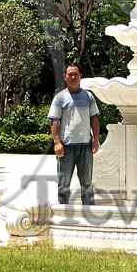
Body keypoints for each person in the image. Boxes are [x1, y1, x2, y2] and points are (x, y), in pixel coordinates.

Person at [48, 64, 100, 205]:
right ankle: (63, 215)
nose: (72, 77)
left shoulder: (88, 96)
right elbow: (55, 121)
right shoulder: (60, 98)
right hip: (67, 147)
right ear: (65, 77)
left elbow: (94, 118)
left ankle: (90, 214)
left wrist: (96, 140)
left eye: (75, 74)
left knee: (87, 184)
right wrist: (57, 142)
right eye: (70, 74)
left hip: (85, 146)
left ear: (80, 76)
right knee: (63, 184)